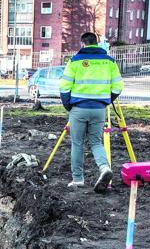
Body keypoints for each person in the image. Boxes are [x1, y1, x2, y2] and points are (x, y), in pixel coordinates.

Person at [59, 32, 124, 193]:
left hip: (79, 109)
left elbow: (64, 87)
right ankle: (104, 168)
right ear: (97, 43)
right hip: (99, 109)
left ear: (83, 44)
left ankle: (78, 179)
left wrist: (69, 106)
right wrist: (105, 101)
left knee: (77, 143)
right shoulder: (109, 62)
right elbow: (118, 87)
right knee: (96, 142)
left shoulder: (74, 61)